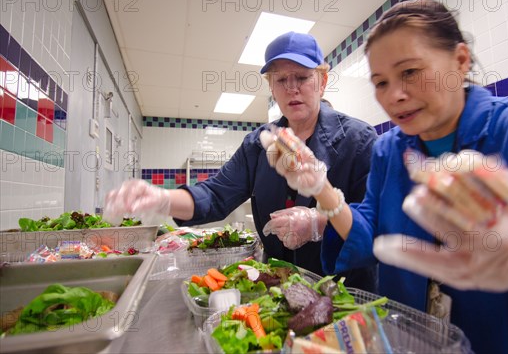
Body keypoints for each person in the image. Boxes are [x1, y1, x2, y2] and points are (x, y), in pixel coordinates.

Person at [261, 0, 508, 354]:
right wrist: (321, 188)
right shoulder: (389, 150)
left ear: (460, 60)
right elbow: (369, 233)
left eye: (410, 72)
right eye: (380, 82)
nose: (395, 96)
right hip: (412, 341)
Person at [103, 32, 379, 292]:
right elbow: (214, 194)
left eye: (303, 77)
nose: (292, 88)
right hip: (279, 286)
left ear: (322, 81)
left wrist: (319, 223)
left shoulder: (359, 140)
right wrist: (161, 199)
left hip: (345, 290)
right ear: (271, 85)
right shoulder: (259, 144)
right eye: (281, 80)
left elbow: (374, 225)